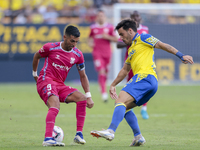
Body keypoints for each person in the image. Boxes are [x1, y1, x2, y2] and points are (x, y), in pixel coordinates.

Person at [91, 19, 194, 146]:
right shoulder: (131, 49)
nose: (121, 38)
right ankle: (138, 136)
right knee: (124, 108)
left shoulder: (144, 38)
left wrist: (181, 55)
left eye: (122, 34)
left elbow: (162, 45)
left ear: (130, 30)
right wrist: (113, 85)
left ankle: (111, 131)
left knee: (120, 101)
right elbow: (125, 70)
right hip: (151, 84)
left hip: (145, 77)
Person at [32, 25, 94, 146]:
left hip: (59, 85)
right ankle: (48, 139)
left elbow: (83, 76)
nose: (74, 44)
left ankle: (79, 134)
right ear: (64, 37)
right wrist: (35, 74)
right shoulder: (50, 47)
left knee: (82, 98)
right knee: (55, 104)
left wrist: (89, 96)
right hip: (46, 80)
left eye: (76, 42)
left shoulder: (78, 54)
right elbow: (36, 56)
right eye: (72, 41)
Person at [117, 11, 149, 119]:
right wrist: (130, 41)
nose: (136, 18)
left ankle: (144, 109)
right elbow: (118, 44)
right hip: (130, 62)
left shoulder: (145, 29)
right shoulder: (126, 31)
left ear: (140, 18)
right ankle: (128, 107)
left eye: (137, 16)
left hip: (142, 63)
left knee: (145, 84)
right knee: (129, 85)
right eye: (133, 17)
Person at [88, 9, 118, 102]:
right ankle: (104, 93)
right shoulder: (93, 27)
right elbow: (89, 38)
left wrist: (107, 37)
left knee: (106, 72)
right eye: (99, 15)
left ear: (105, 17)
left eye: (102, 15)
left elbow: (116, 39)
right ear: (97, 17)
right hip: (97, 53)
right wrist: (90, 44)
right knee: (101, 71)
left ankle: (102, 85)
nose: (101, 17)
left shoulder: (109, 27)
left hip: (107, 53)